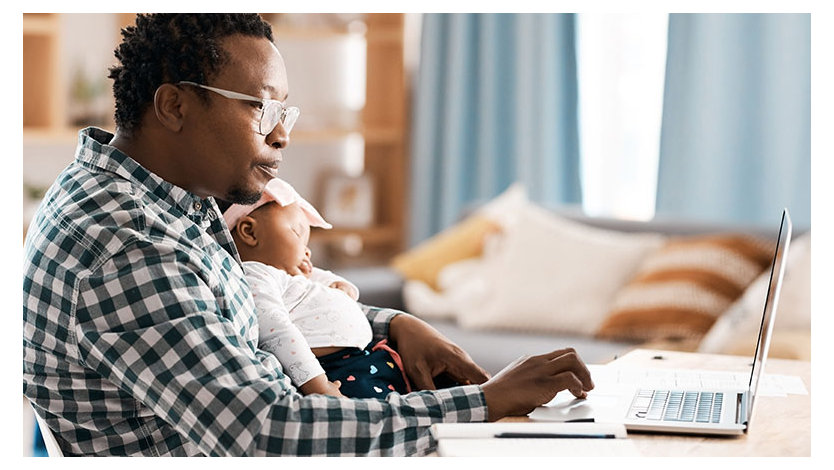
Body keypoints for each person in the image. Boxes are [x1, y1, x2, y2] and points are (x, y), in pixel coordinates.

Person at [22, 13, 594, 456]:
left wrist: (392, 322)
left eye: (285, 114)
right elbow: (267, 434)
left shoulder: (171, 198)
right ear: (173, 105)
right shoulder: (123, 244)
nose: (282, 136)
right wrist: (484, 402)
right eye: (262, 109)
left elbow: (254, 299)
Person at [223, 176, 412, 399]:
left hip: (364, 358)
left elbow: (326, 279)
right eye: (297, 233)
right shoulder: (257, 276)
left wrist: (340, 287)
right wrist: (319, 386)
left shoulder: (289, 275)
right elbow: (278, 334)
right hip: (333, 372)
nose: (307, 251)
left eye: (308, 244)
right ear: (250, 232)